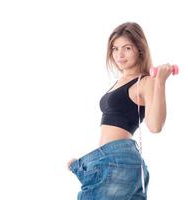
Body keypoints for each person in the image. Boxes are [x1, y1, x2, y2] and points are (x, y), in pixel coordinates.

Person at [68, 22, 174, 200]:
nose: (120, 55)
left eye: (127, 48)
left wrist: (160, 83)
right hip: (110, 160)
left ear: (139, 49)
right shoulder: (122, 80)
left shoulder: (145, 81)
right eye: (115, 49)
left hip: (118, 159)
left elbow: (155, 126)